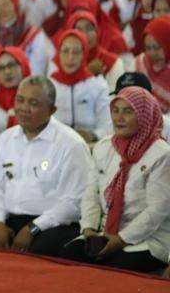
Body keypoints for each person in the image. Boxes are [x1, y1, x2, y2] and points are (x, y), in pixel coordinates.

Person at [0, 76, 90, 257]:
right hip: (9, 220)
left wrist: (33, 228)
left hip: (53, 225)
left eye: (33, 103)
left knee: (38, 254)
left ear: (52, 110)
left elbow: (74, 203)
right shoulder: (6, 139)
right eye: (20, 100)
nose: (24, 108)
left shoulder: (71, 144)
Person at [62, 86, 170, 272]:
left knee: (113, 268)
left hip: (147, 237)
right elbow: (91, 194)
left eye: (128, 112)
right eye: (115, 111)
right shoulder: (104, 147)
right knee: (69, 255)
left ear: (144, 116)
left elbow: (157, 210)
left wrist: (121, 239)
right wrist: (88, 229)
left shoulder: (161, 154)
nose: (118, 118)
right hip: (104, 230)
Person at [50, 29, 114, 143]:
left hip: (90, 147)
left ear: (84, 54)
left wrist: (92, 135)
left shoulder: (97, 84)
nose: (70, 57)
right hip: (55, 146)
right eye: (65, 51)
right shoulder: (49, 85)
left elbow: (108, 127)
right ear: (58, 53)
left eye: (76, 52)